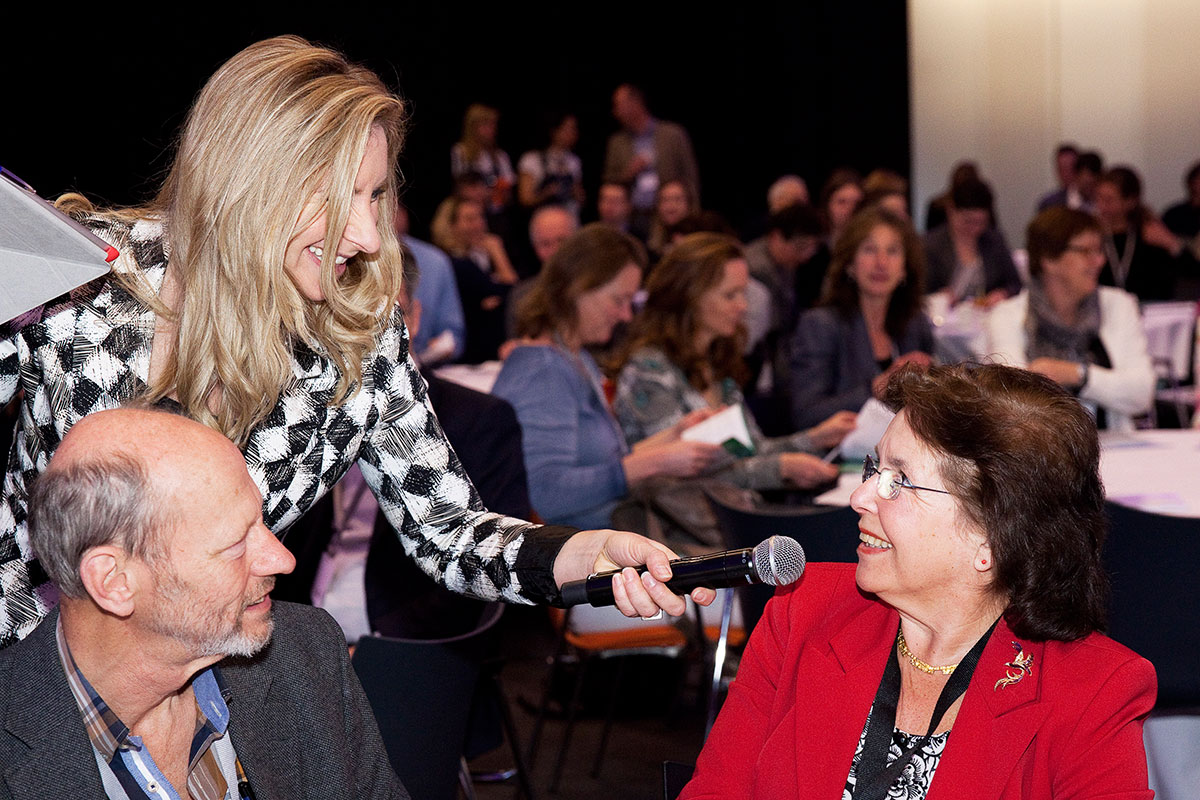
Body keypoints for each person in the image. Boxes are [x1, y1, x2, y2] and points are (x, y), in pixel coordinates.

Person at [0, 36, 710, 648]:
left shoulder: (356, 335)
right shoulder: (75, 283)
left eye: (374, 197)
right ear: (249, 183)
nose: (369, 238)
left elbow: (447, 529)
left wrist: (580, 555)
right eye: (341, 199)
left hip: (206, 676)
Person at [682, 362, 1156, 799]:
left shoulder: (1094, 692)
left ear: (992, 538)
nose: (860, 497)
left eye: (900, 481)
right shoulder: (802, 614)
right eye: (875, 469)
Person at [0, 407, 406, 798]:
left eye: (261, 522)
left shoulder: (304, 654)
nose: (282, 559)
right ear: (114, 582)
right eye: (235, 544)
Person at [492, 223, 725, 532]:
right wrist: (657, 462)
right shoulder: (543, 370)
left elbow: (605, 462)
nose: (626, 315)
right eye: (619, 300)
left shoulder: (578, 359)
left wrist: (676, 434)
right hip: (577, 560)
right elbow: (546, 494)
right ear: (579, 289)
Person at [614, 233, 853, 493]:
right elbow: (679, 474)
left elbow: (752, 449)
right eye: (730, 295)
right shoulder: (649, 370)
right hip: (678, 526)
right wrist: (780, 468)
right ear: (689, 298)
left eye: (743, 292)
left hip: (733, 516)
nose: (743, 305)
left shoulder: (715, 362)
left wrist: (816, 437)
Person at [987, 207, 1154, 431]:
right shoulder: (1007, 316)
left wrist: (1078, 375)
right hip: (1037, 455)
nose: (1099, 261)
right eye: (1086, 251)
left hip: (1115, 446)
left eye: (1099, 250)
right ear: (1049, 259)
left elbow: (1142, 393)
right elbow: (1010, 401)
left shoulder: (1118, 305)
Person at [790, 207, 934, 428]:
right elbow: (806, 414)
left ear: (905, 268)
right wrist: (877, 388)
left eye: (892, 251)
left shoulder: (915, 323)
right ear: (849, 264)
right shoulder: (820, 325)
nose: (881, 262)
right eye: (869, 250)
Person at [603, 84, 701, 236]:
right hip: (633, 218)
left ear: (635, 103)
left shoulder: (672, 135)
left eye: (618, 105)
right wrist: (629, 173)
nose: (615, 112)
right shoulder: (617, 142)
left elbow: (690, 177)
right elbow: (610, 181)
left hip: (669, 216)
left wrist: (693, 213)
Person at [432, 195, 518, 362]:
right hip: (470, 357)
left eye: (481, 217)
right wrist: (497, 252)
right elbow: (514, 291)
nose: (479, 225)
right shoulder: (455, 263)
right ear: (451, 225)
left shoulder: (476, 257)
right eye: (470, 219)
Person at [923, 175, 1022, 307]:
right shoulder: (930, 245)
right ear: (951, 210)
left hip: (987, 317)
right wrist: (938, 296)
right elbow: (919, 290)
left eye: (981, 222)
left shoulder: (993, 240)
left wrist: (1003, 293)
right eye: (968, 221)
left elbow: (1015, 283)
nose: (974, 229)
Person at [1094, 165, 1187, 302]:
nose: (1101, 206)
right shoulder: (1094, 236)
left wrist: (1172, 244)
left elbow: (1189, 271)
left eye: (1109, 200)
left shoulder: (1149, 233)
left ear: (1130, 201)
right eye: (1099, 198)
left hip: (1150, 311)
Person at [395, 203, 465, 364]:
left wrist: (441, 346)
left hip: (426, 367)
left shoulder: (434, 262)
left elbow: (454, 336)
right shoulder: (347, 260)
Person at [450, 103, 515, 230]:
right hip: (470, 213)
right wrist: (477, 194)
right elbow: (459, 187)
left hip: (496, 214)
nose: (491, 130)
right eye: (486, 125)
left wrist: (494, 193)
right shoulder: (460, 152)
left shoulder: (500, 157)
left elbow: (508, 191)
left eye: (493, 125)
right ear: (473, 127)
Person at [516, 111, 585, 219]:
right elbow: (525, 199)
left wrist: (576, 193)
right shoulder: (532, 159)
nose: (573, 133)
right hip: (543, 219)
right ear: (555, 131)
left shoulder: (574, 161)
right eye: (568, 128)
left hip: (569, 217)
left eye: (574, 129)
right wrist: (547, 193)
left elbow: (581, 199)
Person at [819, 168, 865, 247]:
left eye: (857, 203)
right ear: (827, 205)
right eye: (842, 202)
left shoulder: (868, 244)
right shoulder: (815, 245)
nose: (850, 209)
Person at [1034, 142, 1079, 211]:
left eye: (1070, 168)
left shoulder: (1093, 200)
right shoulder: (1049, 203)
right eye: (1062, 169)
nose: (1066, 174)